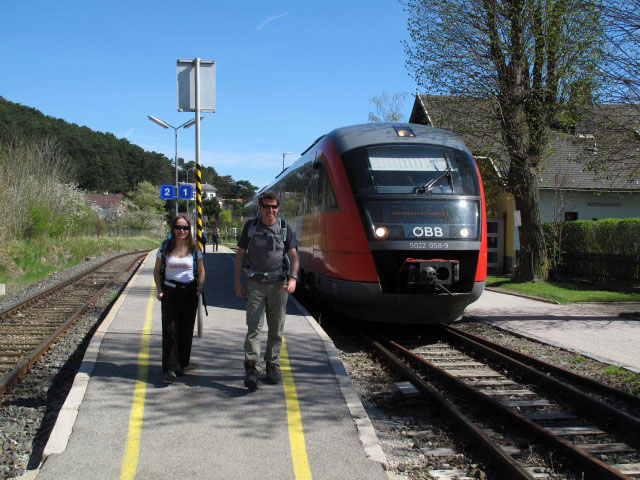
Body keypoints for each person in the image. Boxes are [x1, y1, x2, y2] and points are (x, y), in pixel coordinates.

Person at [234, 191, 298, 390]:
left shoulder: (285, 228)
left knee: (276, 328)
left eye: (274, 207)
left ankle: (272, 364)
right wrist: (237, 281)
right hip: (255, 283)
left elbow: (294, 257)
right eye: (267, 206)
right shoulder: (250, 227)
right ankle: (252, 368)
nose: (271, 210)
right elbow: (240, 255)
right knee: (254, 327)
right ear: (260, 208)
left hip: (279, 285)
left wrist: (293, 278)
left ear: (278, 208)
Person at [153, 215, 205, 384]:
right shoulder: (165, 246)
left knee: (186, 330)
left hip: (189, 292)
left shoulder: (194, 248)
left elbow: (202, 271)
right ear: (173, 228)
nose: (181, 231)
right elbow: (156, 270)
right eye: (178, 227)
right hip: (170, 291)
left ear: (189, 230)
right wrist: (159, 290)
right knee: (170, 330)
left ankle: (181, 364)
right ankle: (170, 368)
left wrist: (199, 289)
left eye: (184, 228)